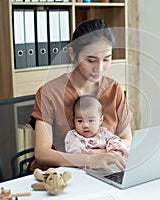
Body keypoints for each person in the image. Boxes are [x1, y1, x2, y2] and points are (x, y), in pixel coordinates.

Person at [29, 19, 132, 172]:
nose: (99, 68)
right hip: (61, 176)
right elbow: (42, 154)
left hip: (105, 171)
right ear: (73, 54)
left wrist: (110, 156)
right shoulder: (49, 93)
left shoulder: (114, 89)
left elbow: (126, 138)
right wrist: (91, 158)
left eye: (106, 59)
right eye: (91, 60)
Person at [64, 95, 128, 157]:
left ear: (100, 120)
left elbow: (118, 142)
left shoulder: (103, 133)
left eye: (91, 121)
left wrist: (113, 150)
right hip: (84, 166)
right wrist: (104, 152)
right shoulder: (73, 136)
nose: (85, 125)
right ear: (74, 120)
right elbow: (76, 155)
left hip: (106, 164)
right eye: (80, 121)